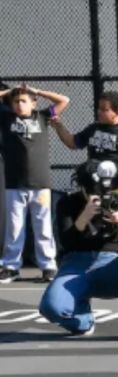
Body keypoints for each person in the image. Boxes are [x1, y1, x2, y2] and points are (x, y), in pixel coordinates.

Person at [38, 158, 118, 340]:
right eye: (92, 192)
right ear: (81, 187)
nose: (97, 197)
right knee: (50, 307)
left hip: (109, 265)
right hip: (75, 266)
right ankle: (83, 321)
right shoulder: (67, 203)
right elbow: (65, 243)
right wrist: (84, 217)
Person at [2, 82, 70, 284]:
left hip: (40, 184)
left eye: (23, 101)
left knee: (43, 227)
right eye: (15, 102)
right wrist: (10, 91)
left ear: (33, 103)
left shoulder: (42, 117)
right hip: (15, 183)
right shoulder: (6, 119)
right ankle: (10, 267)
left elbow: (64, 100)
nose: (19, 105)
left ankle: (48, 266)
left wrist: (36, 91)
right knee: (14, 228)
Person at [57, 90, 118, 203]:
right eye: (99, 108)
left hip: (117, 189)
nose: (99, 112)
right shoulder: (94, 128)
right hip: (94, 188)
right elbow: (72, 143)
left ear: (117, 112)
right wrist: (58, 125)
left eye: (104, 109)